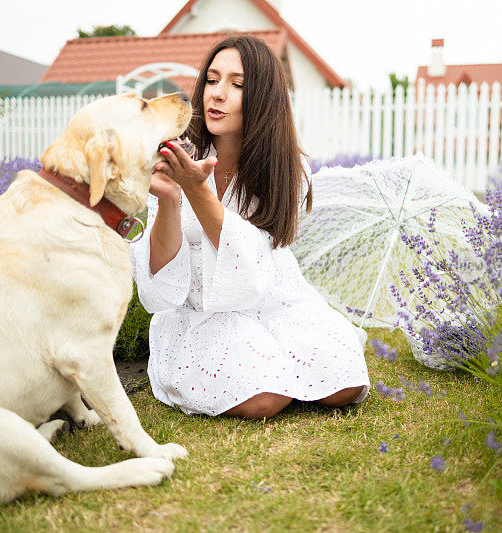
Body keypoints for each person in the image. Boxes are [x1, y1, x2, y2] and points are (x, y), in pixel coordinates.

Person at [129, 34, 370, 419]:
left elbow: (252, 268)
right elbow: (159, 287)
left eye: (236, 85)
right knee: (264, 399)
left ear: (263, 98)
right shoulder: (177, 155)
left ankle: (281, 363)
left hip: (272, 298)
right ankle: (273, 374)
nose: (217, 94)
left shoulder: (286, 169)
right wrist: (173, 198)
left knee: (345, 382)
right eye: (211, 80)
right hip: (203, 310)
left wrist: (198, 191)